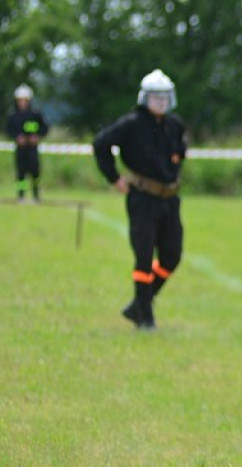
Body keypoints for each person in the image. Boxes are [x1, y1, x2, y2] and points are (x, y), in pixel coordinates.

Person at [93, 69, 187, 331]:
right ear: (145, 98)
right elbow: (101, 144)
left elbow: (181, 151)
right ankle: (145, 316)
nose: (161, 102)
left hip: (169, 198)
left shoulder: (175, 125)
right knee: (144, 255)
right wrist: (114, 178)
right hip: (142, 199)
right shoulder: (131, 124)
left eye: (165, 97)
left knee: (172, 255)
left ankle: (140, 302)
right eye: (156, 98)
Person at [6, 84, 50, 202]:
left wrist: (37, 137)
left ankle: (36, 195)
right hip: (20, 149)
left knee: (35, 172)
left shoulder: (36, 115)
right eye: (20, 100)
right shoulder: (13, 116)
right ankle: (21, 196)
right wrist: (17, 138)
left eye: (25, 100)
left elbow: (45, 128)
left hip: (32, 149)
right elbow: (9, 130)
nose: (22, 103)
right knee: (21, 173)